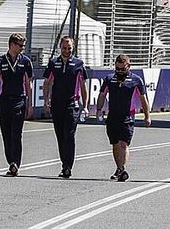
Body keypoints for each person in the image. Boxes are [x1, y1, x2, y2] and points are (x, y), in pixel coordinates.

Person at [96, 53, 151, 182]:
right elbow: (102, 95)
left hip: (128, 117)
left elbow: (144, 100)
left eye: (123, 69)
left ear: (128, 66)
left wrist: (147, 116)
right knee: (115, 144)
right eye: (118, 69)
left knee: (123, 143)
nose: (120, 71)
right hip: (113, 116)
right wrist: (99, 109)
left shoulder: (136, 80)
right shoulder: (109, 79)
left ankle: (122, 168)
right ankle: (119, 169)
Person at [42, 36, 89, 179]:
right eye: (64, 48)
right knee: (60, 136)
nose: (67, 51)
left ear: (73, 48)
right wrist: (46, 100)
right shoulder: (53, 63)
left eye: (69, 48)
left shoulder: (79, 64)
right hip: (57, 105)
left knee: (69, 135)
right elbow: (47, 83)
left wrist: (85, 106)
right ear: (60, 48)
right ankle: (64, 163)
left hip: (72, 105)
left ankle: (68, 166)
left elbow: (83, 86)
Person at [0, 33, 34, 176]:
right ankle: (10, 161)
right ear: (12, 45)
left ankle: (15, 162)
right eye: (20, 45)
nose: (22, 48)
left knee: (16, 133)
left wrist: (29, 103)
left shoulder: (25, 61)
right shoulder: (0, 61)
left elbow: (28, 83)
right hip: (4, 100)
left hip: (19, 100)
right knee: (6, 134)